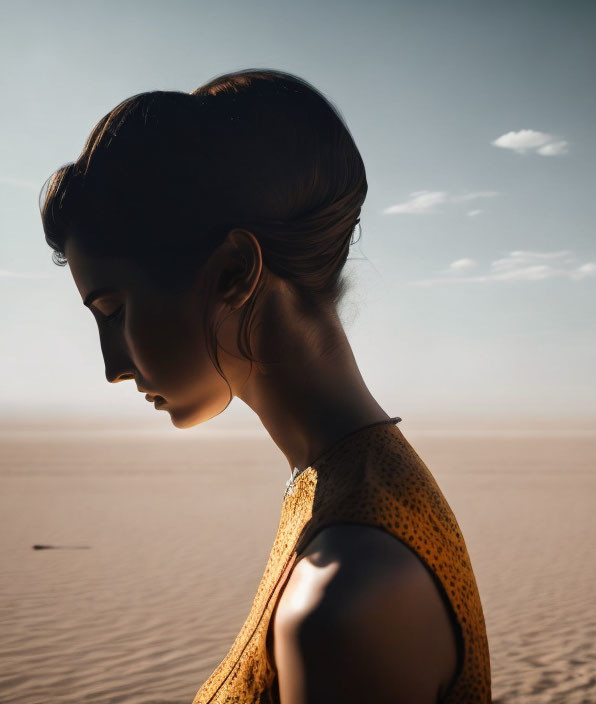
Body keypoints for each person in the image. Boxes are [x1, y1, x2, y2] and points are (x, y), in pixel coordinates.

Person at [40, 68, 491, 703]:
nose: (112, 365)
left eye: (114, 311)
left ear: (233, 272)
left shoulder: (345, 598)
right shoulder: (347, 491)